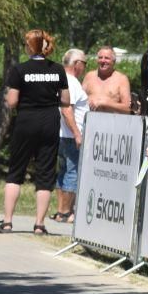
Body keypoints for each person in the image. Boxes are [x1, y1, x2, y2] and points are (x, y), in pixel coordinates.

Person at [0, 29, 71, 235]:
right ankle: (39, 224)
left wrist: (11, 96)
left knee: (16, 171)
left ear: (30, 47)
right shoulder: (57, 69)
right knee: (45, 173)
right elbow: (66, 100)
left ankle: (7, 222)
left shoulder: (20, 70)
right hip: (49, 122)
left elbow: (12, 102)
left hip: (26, 121)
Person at [52, 48, 89, 223]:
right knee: (72, 172)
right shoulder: (71, 82)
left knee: (63, 171)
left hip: (60, 133)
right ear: (77, 64)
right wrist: (77, 133)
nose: (85, 67)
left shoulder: (60, 79)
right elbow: (67, 109)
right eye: (85, 63)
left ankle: (60, 210)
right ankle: (66, 212)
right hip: (69, 135)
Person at [83, 45, 131, 114]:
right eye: (100, 57)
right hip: (89, 118)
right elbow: (78, 100)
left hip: (111, 119)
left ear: (113, 61)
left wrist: (106, 103)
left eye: (107, 58)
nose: (103, 60)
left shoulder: (122, 79)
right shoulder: (89, 76)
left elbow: (128, 108)